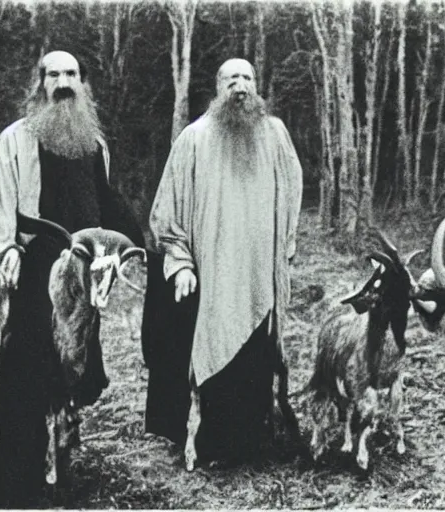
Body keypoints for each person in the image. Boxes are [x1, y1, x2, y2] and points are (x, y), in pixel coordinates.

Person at [0, 50, 143, 507]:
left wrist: (135, 243)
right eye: (53, 74)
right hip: (31, 275)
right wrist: (5, 251)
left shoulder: (95, 145)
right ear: (39, 83)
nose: (63, 83)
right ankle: (18, 489)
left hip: (80, 282)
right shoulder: (17, 140)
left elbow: (105, 204)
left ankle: (59, 471)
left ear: (83, 84)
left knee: (66, 376)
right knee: (23, 379)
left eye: (71, 74)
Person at [145, 58, 303, 465]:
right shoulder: (194, 138)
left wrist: (285, 244)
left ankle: (256, 444)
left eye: (247, 78)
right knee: (214, 351)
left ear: (257, 85)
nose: (240, 86)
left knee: (257, 355)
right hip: (214, 275)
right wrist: (180, 261)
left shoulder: (275, 135)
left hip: (259, 273)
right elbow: (167, 209)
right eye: (231, 79)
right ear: (218, 88)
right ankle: (214, 447)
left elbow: (292, 188)